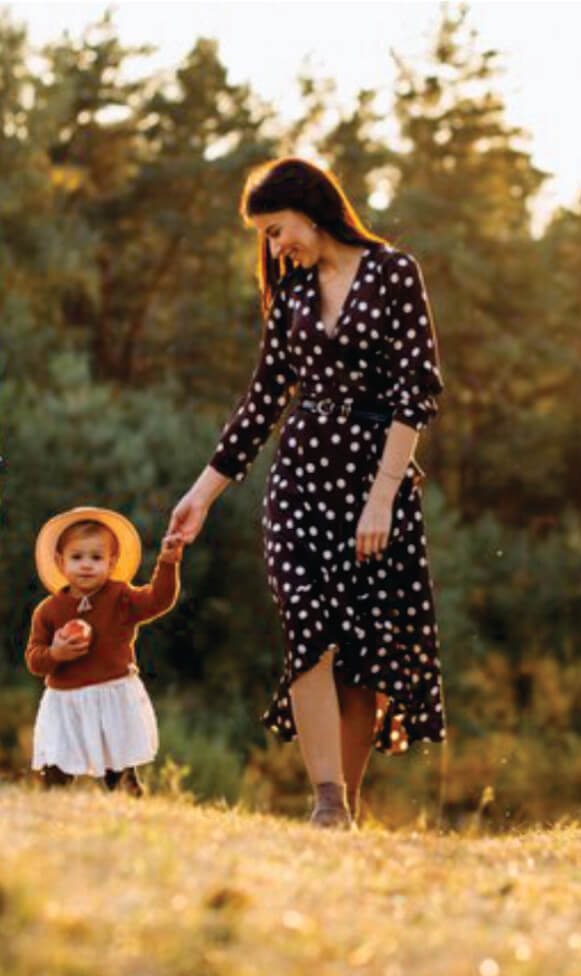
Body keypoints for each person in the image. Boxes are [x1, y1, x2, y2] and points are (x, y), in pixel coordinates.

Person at [168, 156, 446, 828]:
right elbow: (262, 401)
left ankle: (342, 814)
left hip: (372, 479)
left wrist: (383, 496)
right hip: (299, 479)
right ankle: (326, 801)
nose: (274, 245)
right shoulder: (291, 296)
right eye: (265, 235)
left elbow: (417, 390)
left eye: (276, 228)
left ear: (311, 208)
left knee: (362, 647)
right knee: (305, 624)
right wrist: (202, 494)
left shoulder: (393, 273)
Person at [26, 506, 183, 794]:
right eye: (77, 557)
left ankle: (129, 801)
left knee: (119, 767)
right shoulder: (48, 612)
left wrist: (168, 563)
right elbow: (35, 661)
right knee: (57, 765)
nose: (86, 565)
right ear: (60, 562)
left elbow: (158, 600)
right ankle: (51, 809)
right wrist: (56, 654)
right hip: (66, 702)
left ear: (111, 563)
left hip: (112, 696)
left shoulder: (121, 597)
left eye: (96, 558)